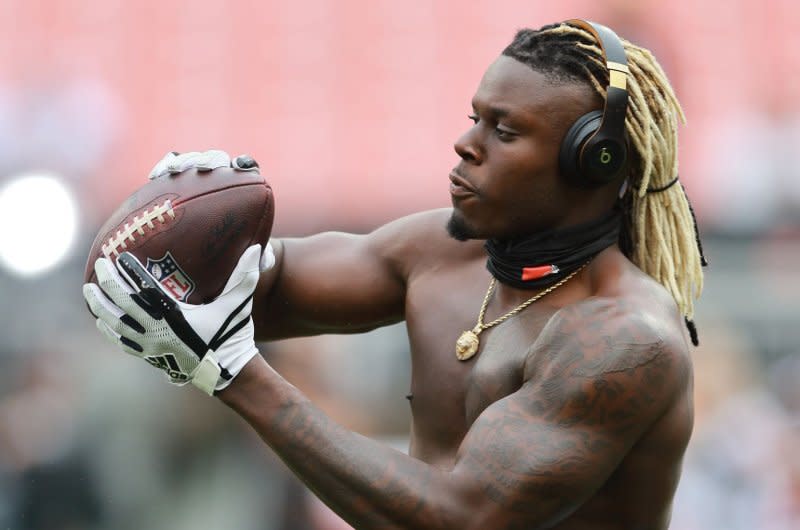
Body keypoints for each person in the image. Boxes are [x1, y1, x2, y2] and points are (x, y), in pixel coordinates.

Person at [83, 19, 706, 529]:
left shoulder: (625, 338)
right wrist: (189, 222)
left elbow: (461, 518)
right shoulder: (441, 251)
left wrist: (237, 375)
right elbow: (251, 288)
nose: (467, 144)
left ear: (591, 163)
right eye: (476, 118)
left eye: (505, 130)